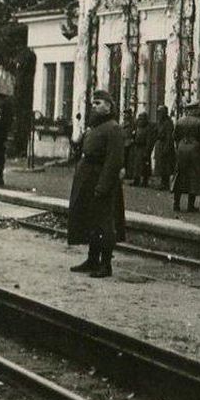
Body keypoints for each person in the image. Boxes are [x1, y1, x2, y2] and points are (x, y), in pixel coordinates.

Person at [67, 90, 125, 278]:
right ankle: (92, 260)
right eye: (93, 103)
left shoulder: (113, 128)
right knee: (91, 221)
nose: (94, 106)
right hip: (88, 180)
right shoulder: (94, 127)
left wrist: (103, 185)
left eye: (98, 103)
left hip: (101, 181)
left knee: (104, 224)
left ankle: (105, 264)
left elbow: (113, 160)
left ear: (109, 106)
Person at [172, 101, 200, 213]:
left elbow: (175, 136)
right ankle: (190, 206)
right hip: (194, 150)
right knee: (193, 176)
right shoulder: (199, 122)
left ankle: (176, 204)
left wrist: (180, 145)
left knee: (179, 175)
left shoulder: (180, 121)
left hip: (181, 148)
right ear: (195, 110)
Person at [153, 105, 175, 191]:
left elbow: (169, 136)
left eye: (161, 112)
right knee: (160, 164)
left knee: (165, 165)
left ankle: (165, 183)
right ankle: (162, 182)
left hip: (165, 144)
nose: (159, 114)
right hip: (159, 144)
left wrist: (166, 147)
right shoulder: (159, 122)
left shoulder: (168, 123)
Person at [131, 112, 152, 187]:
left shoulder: (147, 129)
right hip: (137, 147)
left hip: (143, 148)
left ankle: (144, 181)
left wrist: (147, 151)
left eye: (142, 119)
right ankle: (136, 180)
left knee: (144, 166)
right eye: (139, 119)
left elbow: (149, 140)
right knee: (136, 165)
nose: (140, 120)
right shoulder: (138, 127)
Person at [121, 109, 135, 183]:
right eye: (124, 113)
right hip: (123, 142)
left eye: (126, 114)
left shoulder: (132, 123)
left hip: (129, 142)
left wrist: (132, 139)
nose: (125, 115)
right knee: (124, 159)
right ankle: (126, 173)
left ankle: (129, 173)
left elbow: (133, 132)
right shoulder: (123, 122)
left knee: (129, 159)